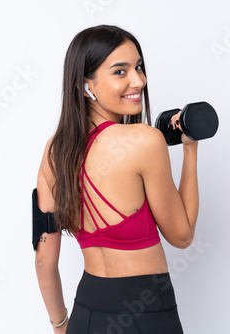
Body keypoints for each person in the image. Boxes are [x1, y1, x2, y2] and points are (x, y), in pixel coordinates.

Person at [33, 25, 199, 334]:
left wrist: (61, 326)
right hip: (147, 312)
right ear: (86, 85)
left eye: (138, 67)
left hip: (85, 312)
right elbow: (182, 235)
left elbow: (43, 259)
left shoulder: (54, 150)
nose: (139, 81)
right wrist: (190, 149)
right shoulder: (145, 140)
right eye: (120, 72)